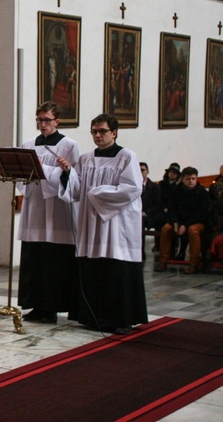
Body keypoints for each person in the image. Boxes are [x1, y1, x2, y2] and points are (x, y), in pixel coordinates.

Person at [56, 114, 148, 334]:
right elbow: (77, 190)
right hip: (91, 222)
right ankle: (92, 317)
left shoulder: (126, 157)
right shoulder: (86, 159)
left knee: (115, 268)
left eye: (102, 131)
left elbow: (133, 188)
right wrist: (68, 174)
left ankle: (119, 319)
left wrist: (99, 194)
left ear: (114, 133)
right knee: (94, 267)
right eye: (94, 131)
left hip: (116, 223)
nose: (97, 135)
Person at [16, 101, 79, 324]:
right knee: (35, 258)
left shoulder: (69, 145)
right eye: (39, 120)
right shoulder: (28, 144)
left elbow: (74, 179)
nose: (42, 125)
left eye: (47, 120)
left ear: (57, 121)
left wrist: (54, 172)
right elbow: (21, 178)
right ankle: (37, 305)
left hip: (57, 212)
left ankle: (53, 306)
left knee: (53, 260)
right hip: (34, 208)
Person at [155, 167, 210, 274]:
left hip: (196, 222)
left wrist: (185, 225)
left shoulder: (202, 193)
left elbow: (201, 214)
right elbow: (172, 210)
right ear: (182, 179)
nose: (191, 182)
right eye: (188, 179)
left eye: (193, 179)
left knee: (193, 231)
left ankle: (194, 264)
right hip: (179, 222)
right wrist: (176, 224)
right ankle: (163, 261)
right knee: (166, 229)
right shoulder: (176, 192)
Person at [140, 162, 164, 256]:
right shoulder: (132, 186)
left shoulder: (155, 187)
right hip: (135, 214)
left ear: (147, 172)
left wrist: (145, 213)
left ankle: (141, 252)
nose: (140, 172)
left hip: (149, 215)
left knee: (140, 222)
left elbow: (158, 205)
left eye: (142, 170)